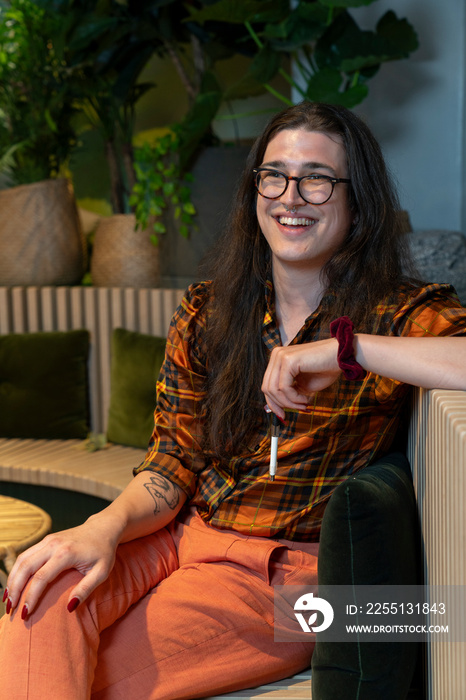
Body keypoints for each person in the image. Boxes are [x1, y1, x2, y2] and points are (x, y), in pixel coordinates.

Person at [1, 101, 466, 700]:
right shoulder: (208, 311)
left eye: (317, 180)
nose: (290, 196)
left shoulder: (398, 312)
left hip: (283, 578)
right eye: (274, 175)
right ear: (255, 192)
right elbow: (171, 462)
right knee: (44, 590)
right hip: (180, 536)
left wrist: (339, 352)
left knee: (81, 680)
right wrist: (103, 527)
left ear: (357, 202)